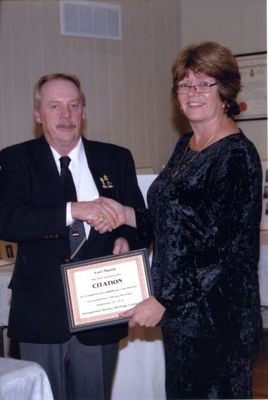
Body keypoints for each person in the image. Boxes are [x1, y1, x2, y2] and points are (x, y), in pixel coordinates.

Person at [92, 42, 263, 399]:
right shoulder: (186, 144)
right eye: (185, 85)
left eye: (204, 83)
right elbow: (171, 220)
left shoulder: (237, 156)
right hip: (183, 317)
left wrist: (163, 299)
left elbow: (222, 250)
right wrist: (127, 216)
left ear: (225, 91)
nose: (193, 93)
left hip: (218, 317)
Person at [0, 73, 148, 400]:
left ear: (83, 111)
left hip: (100, 314)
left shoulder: (116, 158)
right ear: (38, 114)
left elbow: (144, 222)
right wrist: (73, 210)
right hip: (40, 314)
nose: (66, 115)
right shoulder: (14, 160)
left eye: (73, 105)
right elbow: (8, 221)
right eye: (55, 106)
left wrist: (126, 241)